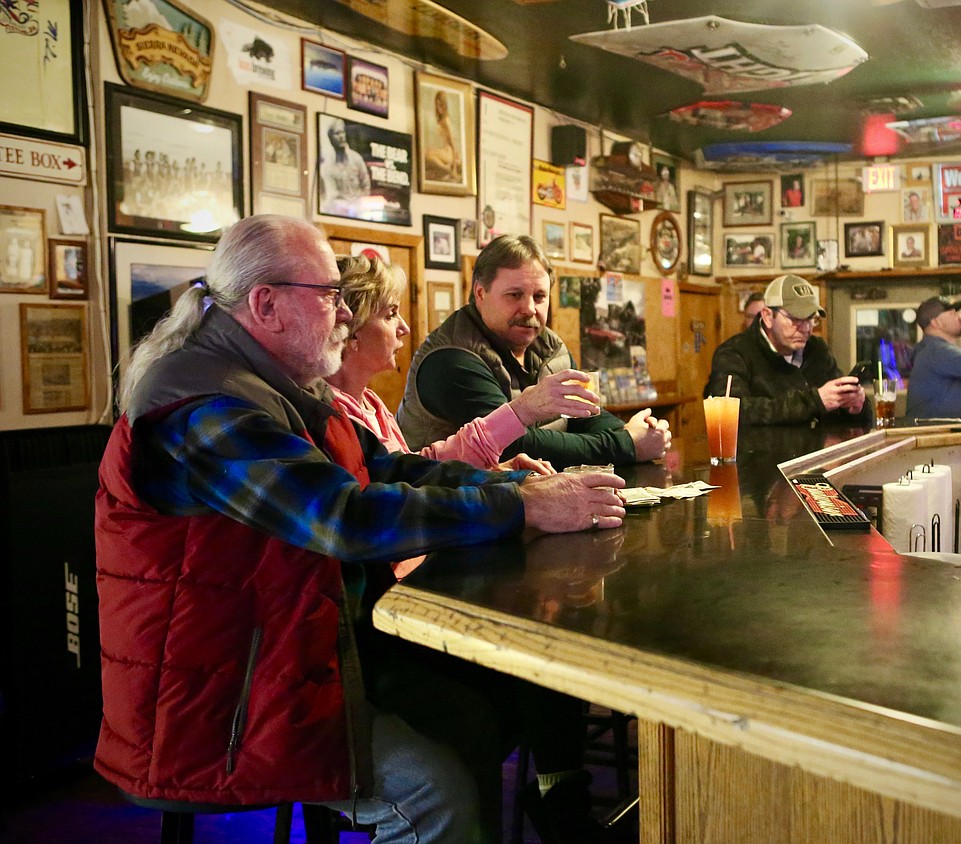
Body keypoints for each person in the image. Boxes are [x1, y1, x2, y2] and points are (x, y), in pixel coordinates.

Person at [93, 214, 627, 844]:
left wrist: (524, 490)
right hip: (224, 699)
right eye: (331, 296)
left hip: (297, 652)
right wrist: (526, 509)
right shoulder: (205, 407)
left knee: (492, 708)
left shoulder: (275, 387)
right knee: (435, 791)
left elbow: (387, 468)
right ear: (265, 304)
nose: (346, 315)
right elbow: (342, 516)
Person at [398, 234, 671, 469]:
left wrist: (640, 431)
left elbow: (584, 416)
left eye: (539, 297)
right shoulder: (452, 360)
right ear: (480, 293)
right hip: (450, 517)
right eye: (515, 295)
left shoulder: (550, 346)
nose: (530, 308)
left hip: (522, 502)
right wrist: (626, 444)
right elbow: (512, 445)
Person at [327, 253, 597, 470]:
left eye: (539, 296)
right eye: (390, 315)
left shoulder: (371, 403)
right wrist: (522, 410)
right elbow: (402, 487)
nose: (404, 327)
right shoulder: (332, 412)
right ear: (350, 330)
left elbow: (416, 465)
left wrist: (497, 470)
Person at [703, 274, 870, 427]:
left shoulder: (817, 348)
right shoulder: (734, 353)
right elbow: (733, 414)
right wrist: (814, 401)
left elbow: (838, 415)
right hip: (758, 459)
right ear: (768, 316)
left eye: (811, 319)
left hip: (815, 457)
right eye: (795, 319)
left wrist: (855, 406)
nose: (805, 328)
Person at [319, 116, 371, 216]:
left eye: (342, 132)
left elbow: (366, 187)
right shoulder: (327, 166)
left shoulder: (357, 159)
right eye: (337, 133)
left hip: (358, 213)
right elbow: (331, 196)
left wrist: (359, 207)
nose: (341, 136)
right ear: (330, 138)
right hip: (338, 213)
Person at [423, 90, 462, 183]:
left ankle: (447, 169)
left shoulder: (446, 121)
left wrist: (455, 165)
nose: (438, 107)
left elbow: (452, 142)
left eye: (440, 105)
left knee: (427, 154)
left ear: (444, 106)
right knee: (425, 152)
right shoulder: (440, 121)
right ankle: (445, 169)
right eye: (437, 105)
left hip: (449, 152)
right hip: (444, 150)